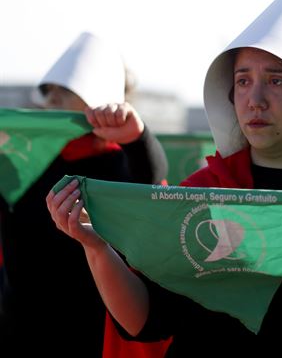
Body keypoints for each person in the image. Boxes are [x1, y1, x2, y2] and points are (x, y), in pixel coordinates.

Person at [47, 0, 282, 357]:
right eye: (243, 81)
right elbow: (147, 320)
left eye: (276, 81)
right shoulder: (205, 189)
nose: (254, 99)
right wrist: (96, 247)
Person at [0, 31, 168, 356]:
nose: (50, 102)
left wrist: (137, 136)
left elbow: (152, 182)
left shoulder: (124, 162)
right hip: (19, 328)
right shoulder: (23, 161)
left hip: (90, 331)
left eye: (64, 92)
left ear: (97, 98)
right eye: (49, 93)